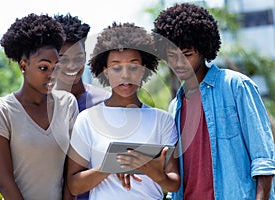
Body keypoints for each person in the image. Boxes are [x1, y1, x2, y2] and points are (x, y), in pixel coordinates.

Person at [153, 3, 275, 200]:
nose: (178, 64)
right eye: (171, 57)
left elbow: (263, 160)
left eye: (186, 55)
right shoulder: (175, 107)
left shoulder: (236, 86)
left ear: (203, 49)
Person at [66, 22, 181, 200]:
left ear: (144, 69)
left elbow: (174, 182)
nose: (125, 75)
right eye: (116, 67)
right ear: (105, 71)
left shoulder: (162, 120)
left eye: (134, 66)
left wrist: (154, 172)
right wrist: (111, 165)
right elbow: (74, 185)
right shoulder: (87, 120)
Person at [0, 13, 78, 200]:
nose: (52, 75)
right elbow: (4, 182)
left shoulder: (67, 104)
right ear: (23, 65)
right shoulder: (2, 110)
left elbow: (71, 175)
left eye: (55, 67)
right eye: (44, 68)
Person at [54, 13, 110, 113]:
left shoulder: (105, 102)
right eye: (63, 60)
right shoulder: (40, 106)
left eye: (78, 58)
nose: (72, 66)